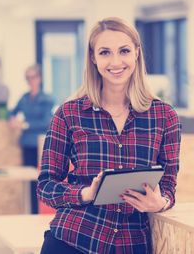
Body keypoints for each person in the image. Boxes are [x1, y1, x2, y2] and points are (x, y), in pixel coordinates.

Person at [37, 17, 181, 253]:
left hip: (131, 244)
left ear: (136, 53)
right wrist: (86, 193)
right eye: (105, 52)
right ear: (93, 58)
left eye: (124, 50)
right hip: (72, 240)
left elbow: (168, 185)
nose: (116, 61)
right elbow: (45, 186)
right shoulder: (69, 113)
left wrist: (160, 203)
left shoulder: (164, 116)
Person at [9, 64, 54, 214]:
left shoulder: (46, 99)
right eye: (27, 78)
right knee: (28, 181)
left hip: (40, 145)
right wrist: (13, 119)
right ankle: (30, 212)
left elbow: (46, 122)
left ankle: (39, 212)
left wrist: (25, 124)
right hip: (26, 143)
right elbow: (12, 111)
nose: (30, 81)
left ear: (39, 78)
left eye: (33, 77)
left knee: (39, 180)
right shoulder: (25, 97)